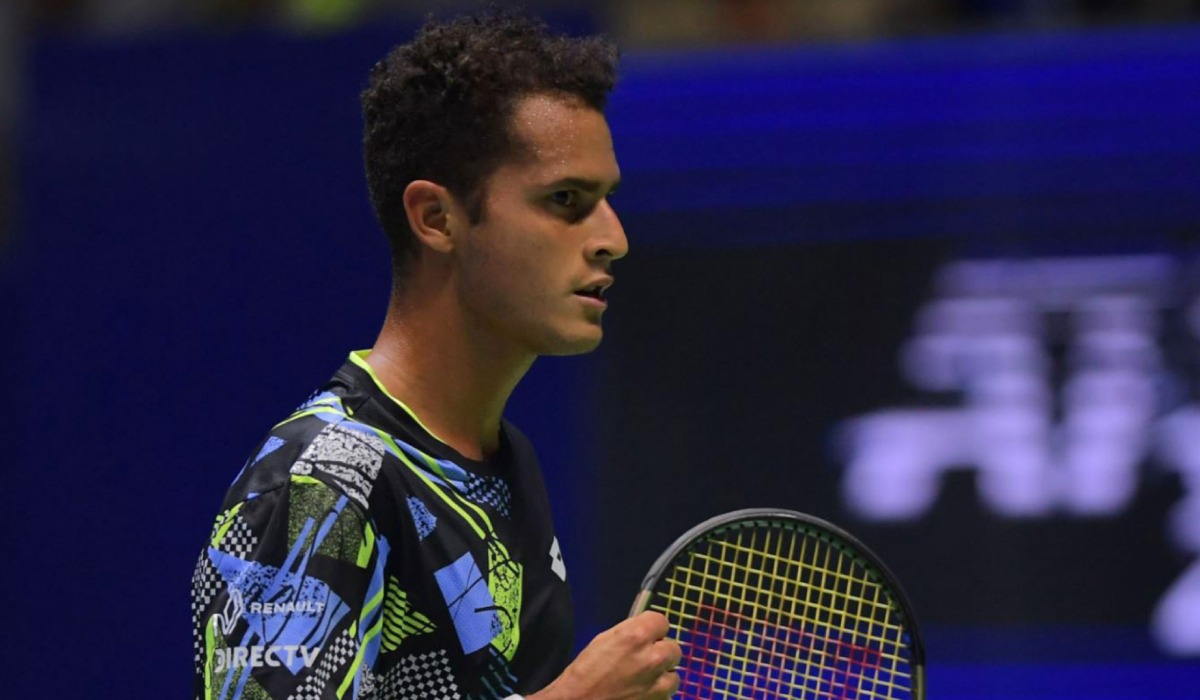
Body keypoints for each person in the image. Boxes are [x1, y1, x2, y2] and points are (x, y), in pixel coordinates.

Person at [190, 8, 682, 700]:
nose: (612, 237)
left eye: (608, 200)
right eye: (566, 199)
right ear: (436, 218)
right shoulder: (323, 483)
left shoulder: (505, 465)